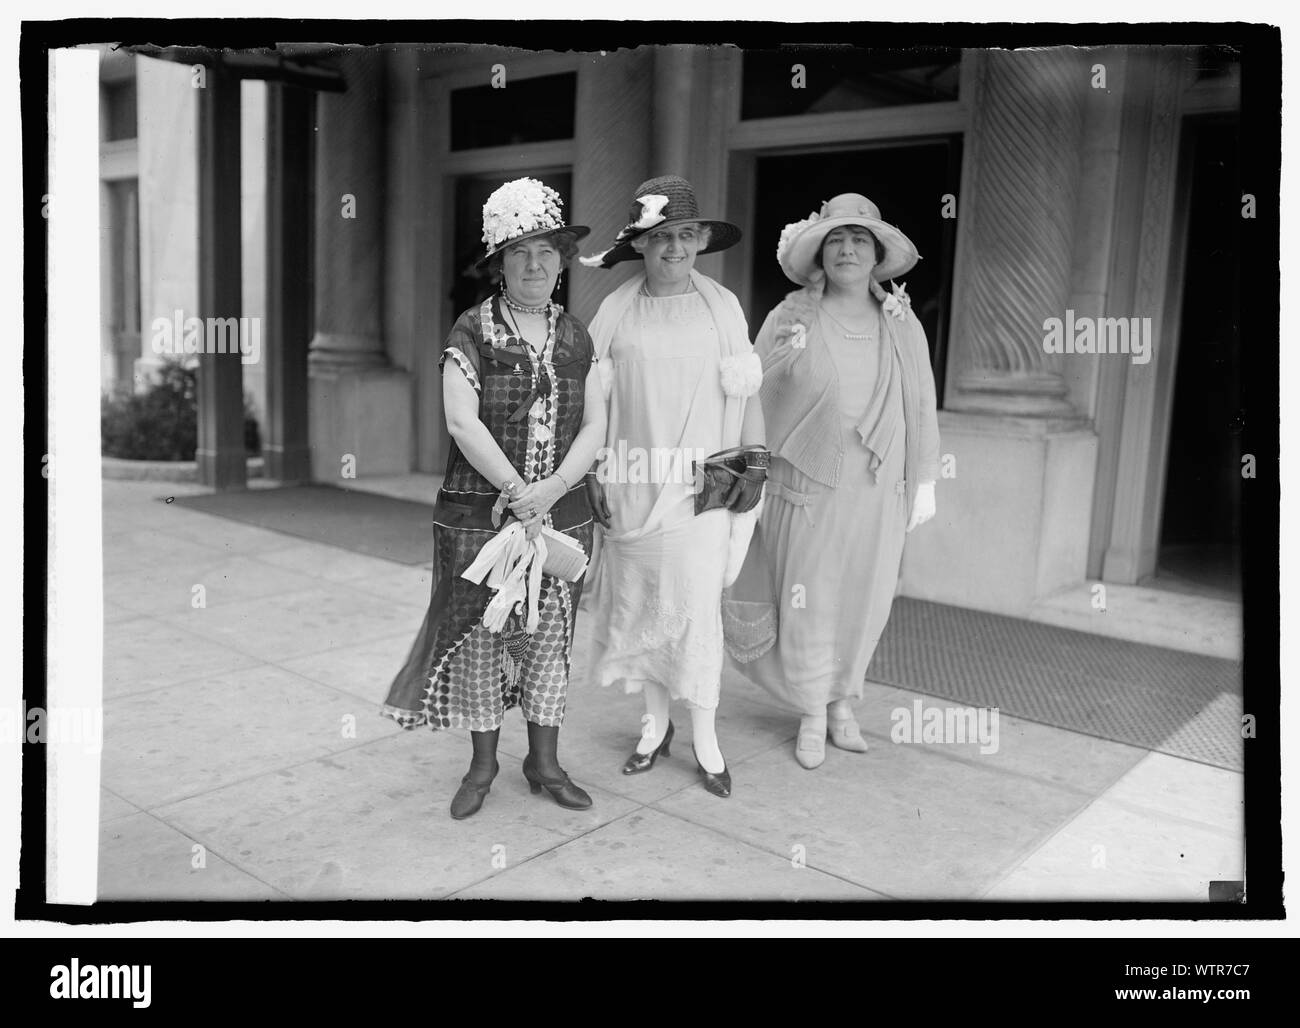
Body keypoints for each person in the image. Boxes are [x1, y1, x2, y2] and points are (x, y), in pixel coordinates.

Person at [380, 177, 607, 819]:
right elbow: (461, 421)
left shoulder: (578, 337)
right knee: (482, 638)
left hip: (561, 517)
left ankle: (545, 762)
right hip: (481, 518)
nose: (534, 263)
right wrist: (516, 489)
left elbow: (596, 424)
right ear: (499, 263)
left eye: (545, 250)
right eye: (518, 251)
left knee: (548, 638)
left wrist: (554, 490)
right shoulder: (472, 328)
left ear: (561, 260)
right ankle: (482, 766)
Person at [729, 193, 939, 769]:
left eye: (860, 240)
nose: (848, 249)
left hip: (879, 488)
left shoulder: (901, 321)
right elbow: (751, 390)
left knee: (865, 601)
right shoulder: (790, 316)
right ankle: (812, 711)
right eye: (837, 240)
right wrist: (784, 361)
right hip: (809, 485)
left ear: (877, 254)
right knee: (810, 600)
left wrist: (924, 479)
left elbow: (921, 401)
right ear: (822, 253)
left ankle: (844, 703)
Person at [580, 175, 765, 798]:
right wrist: (591, 473)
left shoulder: (724, 306)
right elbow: (591, 404)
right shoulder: (615, 310)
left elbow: (747, 388)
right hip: (631, 482)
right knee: (645, 610)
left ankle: (706, 741)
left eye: (685, 235)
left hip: (701, 489)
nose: (674, 248)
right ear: (641, 245)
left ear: (701, 240)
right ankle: (655, 726)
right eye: (660, 237)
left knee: (693, 613)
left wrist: (756, 465)